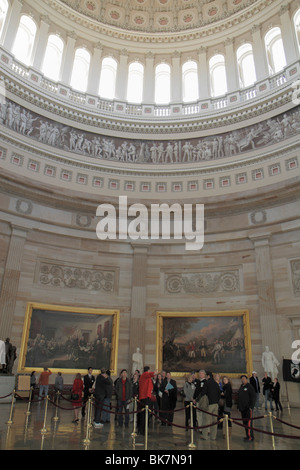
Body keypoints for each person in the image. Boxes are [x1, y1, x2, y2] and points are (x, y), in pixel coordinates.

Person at [138, 366, 157, 435]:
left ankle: (144, 429)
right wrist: (154, 372)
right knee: (143, 415)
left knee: (146, 414)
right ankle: (142, 430)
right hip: (144, 397)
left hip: (147, 397)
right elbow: (149, 374)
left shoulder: (147, 378)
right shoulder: (144, 375)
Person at [237, 375, 256, 441]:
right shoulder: (241, 386)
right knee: (245, 423)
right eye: (242, 379)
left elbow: (253, 397)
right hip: (242, 408)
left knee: (248, 423)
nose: (243, 380)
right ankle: (247, 436)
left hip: (248, 408)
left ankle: (250, 437)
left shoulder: (249, 387)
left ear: (246, 379)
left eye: (244, 379)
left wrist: (251, 406)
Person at [193, 369, 209, 439]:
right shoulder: (198, 381)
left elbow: (204, 391)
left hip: (203, 400)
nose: (200, 375)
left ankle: (206, 429)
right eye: (199, 374)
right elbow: (197, 390)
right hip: (198, 400)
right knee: (198, 414)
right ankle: (200, 428)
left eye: (202, 374)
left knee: (205, 415)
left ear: (204, 374)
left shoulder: (206, 382)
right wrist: (194, 398)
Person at [205, 372, 221, 440]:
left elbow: (204, 393)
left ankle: (205, 436)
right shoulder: (216, 384)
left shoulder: (207, 383)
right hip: (216, 404)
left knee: (206, 420)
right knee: (214, 421)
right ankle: (213, 436)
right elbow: (219, 394)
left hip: (210, 404)